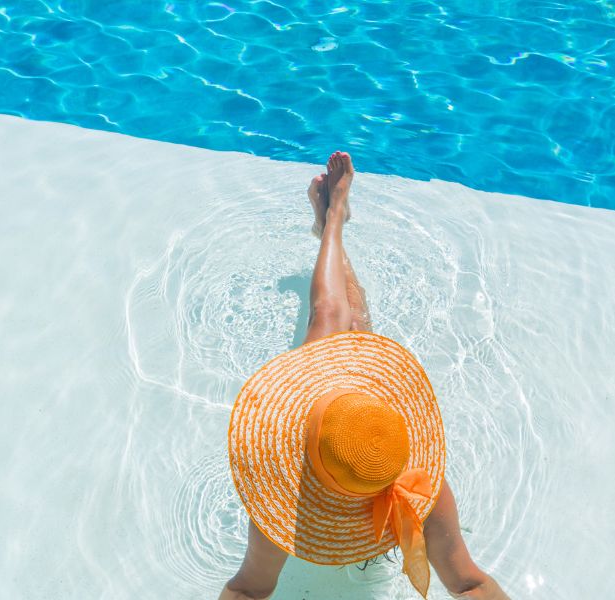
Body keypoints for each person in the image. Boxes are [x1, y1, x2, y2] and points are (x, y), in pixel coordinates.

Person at [219, 152, 511, 600]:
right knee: (346, 320)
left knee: (337, 315)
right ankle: (333, 221)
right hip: (349, 414)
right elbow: (468, 583)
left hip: (346, 420)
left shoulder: (297, 497)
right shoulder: (423, 493)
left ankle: (331, 223)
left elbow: (248, 591)